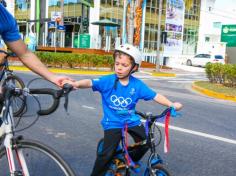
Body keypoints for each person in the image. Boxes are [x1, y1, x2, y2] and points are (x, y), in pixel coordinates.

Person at [63, 43, 183, 175]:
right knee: (106, 155)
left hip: (131, 120)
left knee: (146, 142)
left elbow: (155, 96)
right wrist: (75, 84)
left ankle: (127, 159)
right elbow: (90, 82)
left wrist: (171, 104)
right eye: (117, 63)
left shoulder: (137, 85)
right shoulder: (108, 81)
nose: (119, 68)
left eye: (124, 65)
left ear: (134, 67)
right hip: (113, 123)